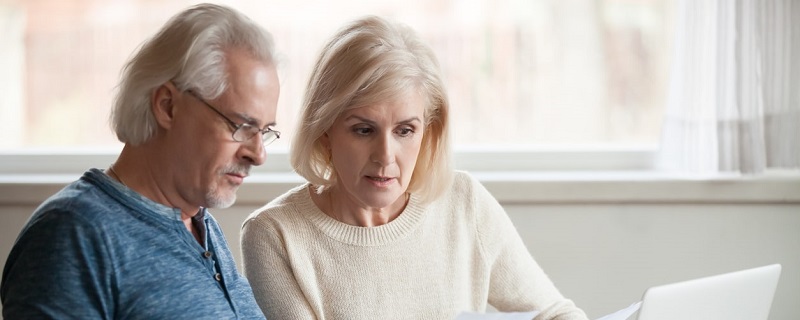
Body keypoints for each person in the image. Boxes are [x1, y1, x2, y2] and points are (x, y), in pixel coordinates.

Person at [240, 16, 588, 320]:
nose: (386, 156)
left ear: (428, 130)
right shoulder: (274, 235)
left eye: (405, 131)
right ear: (325, 131)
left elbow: (555, 313)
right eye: (364, 130)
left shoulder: (464, 204)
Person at [1, 3, 280, 319]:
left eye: (265, 131)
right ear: (167, 106)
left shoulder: (201, 224)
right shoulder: (72, 235)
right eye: (241, 126)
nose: (258, 154)